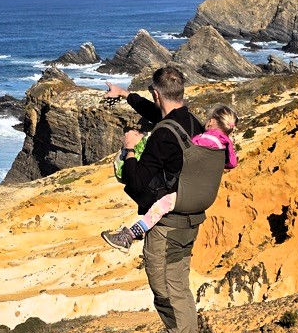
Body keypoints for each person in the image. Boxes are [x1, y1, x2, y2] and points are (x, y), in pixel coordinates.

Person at [104, 66, 211, 333]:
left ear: (156, 92)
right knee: (180, 290)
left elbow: (138, 186)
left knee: (167, 294)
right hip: (188, 219)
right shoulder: (190, 122)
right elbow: (159, 113)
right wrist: (125, 96)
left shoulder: (162, 137)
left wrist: (129, 148)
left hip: (165, 227)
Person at [101, 103, 237, 251]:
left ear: (211, 121)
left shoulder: (205, 140)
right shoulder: (225, 145)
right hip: (202, 196)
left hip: (186, 195)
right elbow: (231, 163)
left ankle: (130, 235)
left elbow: (186, 150)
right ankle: (137, 231)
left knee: (160, 207)